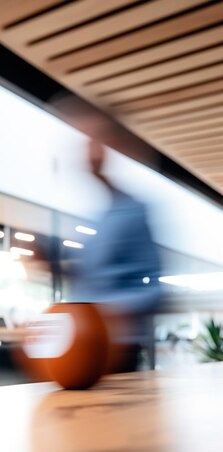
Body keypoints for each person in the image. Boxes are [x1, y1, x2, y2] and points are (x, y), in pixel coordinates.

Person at [70, 138, 162, 372]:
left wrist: (113, 310)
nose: (88, 156)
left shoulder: (134, 211)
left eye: (95, 146)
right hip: (86, 343)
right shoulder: (101, 219)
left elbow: (154, 287)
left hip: (119, 347)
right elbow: (88, 278)